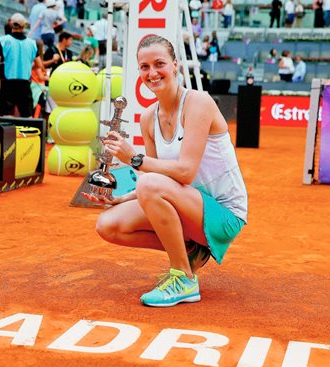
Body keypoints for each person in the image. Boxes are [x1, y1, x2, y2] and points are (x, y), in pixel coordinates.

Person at [81, 35, 248, 307]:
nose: (152, 73)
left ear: (175, 66)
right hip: (187, 206)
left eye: (159, 64)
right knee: (107, 225)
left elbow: (184, 172)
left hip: (223, 214)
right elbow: (152, 180)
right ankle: (192, 250)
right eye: (144, 67)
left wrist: (133, 158)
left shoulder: (199, 102)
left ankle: (183, 278)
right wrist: (120, 198)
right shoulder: (149, 117)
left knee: (150, 185)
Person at [0, 13, 38, 117]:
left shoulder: (4, 40)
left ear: (11, 24)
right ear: (24, 25)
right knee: (28, 116)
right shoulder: (32, 43)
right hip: (25, 84)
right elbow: (39, 64)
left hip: (8, 83)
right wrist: (28, 66)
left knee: (6, 115)